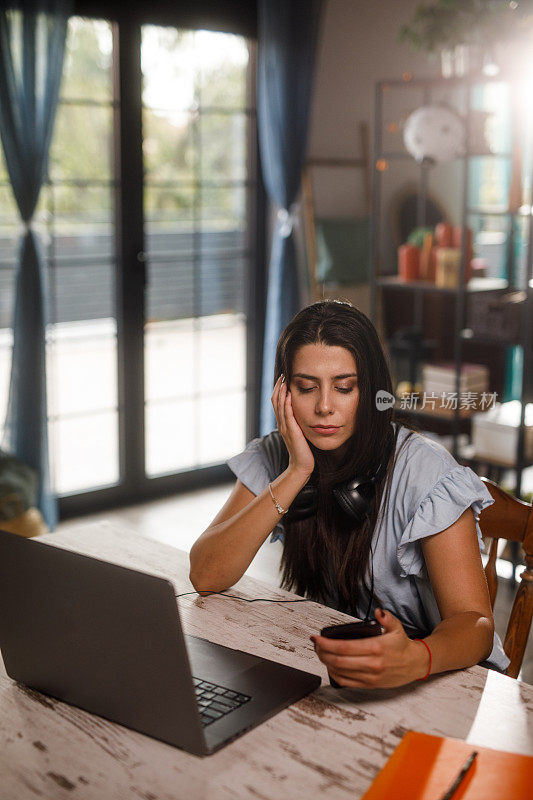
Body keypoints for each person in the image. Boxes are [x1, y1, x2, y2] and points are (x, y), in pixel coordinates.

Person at [189, 300, 509, 688]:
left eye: (344, 388)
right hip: (342, 666)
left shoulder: (426, 473)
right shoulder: (280, 454)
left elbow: (475, 624)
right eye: (306, 388)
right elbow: (206, 574)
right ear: (283, 393)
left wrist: (417, 658)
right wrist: (296, 472)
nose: (324, 407)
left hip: (439, 677)